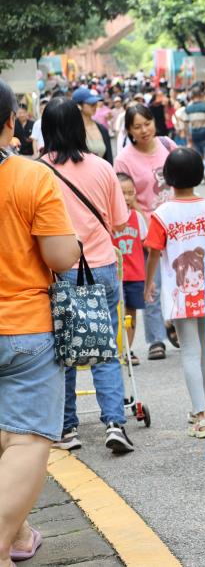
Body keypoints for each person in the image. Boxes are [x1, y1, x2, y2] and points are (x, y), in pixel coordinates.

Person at [0, 78, 81, 566]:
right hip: (24, 327)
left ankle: (20, 532)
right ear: (11, 121)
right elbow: (60, 256)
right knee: (27, 439)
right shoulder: (31, 178)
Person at [38, 97, 134, 454]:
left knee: (63, 349)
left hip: (58, 270)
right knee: (104, 347)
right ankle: (114, 424)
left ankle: (67, 428)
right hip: (102, 267)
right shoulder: (102, 167)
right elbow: (121, 221)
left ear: (45, 130)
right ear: (80, 128)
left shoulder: (39, 171)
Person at [144, 147, 205, 438]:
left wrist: (149, 284)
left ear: (168, 178)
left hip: (181, 294)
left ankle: (201, 413)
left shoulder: (162, 214)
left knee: (190, 351)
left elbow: (154, 253)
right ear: (200, 175)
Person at [114, 104, 176, 361]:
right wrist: (147, 224)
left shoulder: (167, 145)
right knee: (152, 283)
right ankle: (156, 340)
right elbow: (126, 196)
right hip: (148, 227)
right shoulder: (124, 159)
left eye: (147, 123)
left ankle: (174, 323)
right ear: (129, 130)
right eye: (137, 127)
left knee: (180, 278)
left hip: (175, 221)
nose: (144, 130)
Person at [113, 173, 146, 366]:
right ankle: (116, 349)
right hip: (116, 274)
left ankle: (128, 349)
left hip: (135, 274)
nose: (126, 197)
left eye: (130, 193)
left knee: (131, 312)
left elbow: (147, 243)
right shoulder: (108, 219)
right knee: (116, 311)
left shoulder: (137, 217)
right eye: (122, 193)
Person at [174, 84, 205, 179]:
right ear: (201, 95)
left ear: (192, 97)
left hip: (194, 134)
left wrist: (188, 136)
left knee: (198, 154)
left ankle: (201, 171)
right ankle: (204, 168)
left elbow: (185, 123)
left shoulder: (188, 109)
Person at [71, 86, 113, 164]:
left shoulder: (102, 129)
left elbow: (109, 159)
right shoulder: (71, 130)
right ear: (79, 106)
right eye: (91, 103)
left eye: (95, 103)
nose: (95, 105)